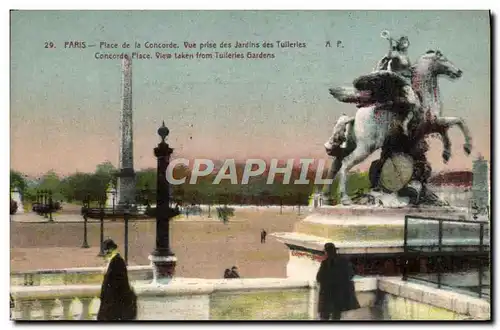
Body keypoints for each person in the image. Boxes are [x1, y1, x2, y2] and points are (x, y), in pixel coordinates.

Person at [330, 33, 420, 138]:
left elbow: (406, 70)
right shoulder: (395, 54)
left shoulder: (404, 56)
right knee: (412, 102)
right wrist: (390, 41)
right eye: (403, 42)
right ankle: (404, 124)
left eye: (406, 43)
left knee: (417, 102)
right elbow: (389, 59)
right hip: (397, 82)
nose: (405, 44)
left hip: (404, 82)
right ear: (400, 44)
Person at [316, 243, 360, 320]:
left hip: (328, 294)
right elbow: (352, 273)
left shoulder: (325, 263)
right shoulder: (344, 261)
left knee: (324, 315)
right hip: (340, 294)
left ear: (326, 252)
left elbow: (319, 278)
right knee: (336, 315)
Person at [97, 239, 137, 321]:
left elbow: (119, 285)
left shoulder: (117, 261)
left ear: (110, 250)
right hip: (111, 305)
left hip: (113, 306)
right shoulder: (114, 261)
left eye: (106, 251)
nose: (104, 254)